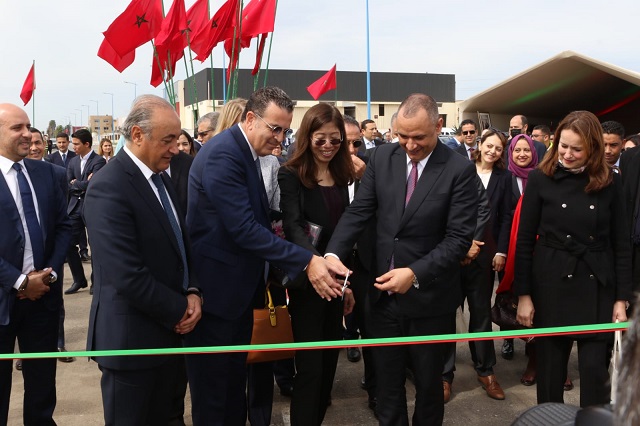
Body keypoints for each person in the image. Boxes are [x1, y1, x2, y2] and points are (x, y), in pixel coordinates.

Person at [185, 86, 347, 426]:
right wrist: (307, 260)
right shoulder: (224, 154)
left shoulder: (246, 153)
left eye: (285, 130)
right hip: (220, 294)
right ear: (250, 119)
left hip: (240, 291)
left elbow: (260, 220)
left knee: (232, 388)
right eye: (275, 128)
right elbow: (244, 229)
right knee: (216, 392)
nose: (280, 139)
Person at [325, 93, 479, 425]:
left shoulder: (459, 170)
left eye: (418, 137)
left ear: (438, 126)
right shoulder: (383, 157)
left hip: (430, 300)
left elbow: (457, 240)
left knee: (428, 385)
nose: (409, 145)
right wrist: (332, 253)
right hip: (382, 297)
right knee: (387, 385)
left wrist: (415, 273)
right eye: (402, 136)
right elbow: (359, 211)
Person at [84, 94, 202, 425]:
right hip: (131, 344)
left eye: (177, 140)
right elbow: (126, 274)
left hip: (170, 339)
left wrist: (193, 291)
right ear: (137, 135)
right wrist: (180, 309)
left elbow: (181, 245)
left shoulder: (160, 178)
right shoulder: (109, 186)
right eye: (168, 140)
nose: (176, 149)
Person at [515, 110, 631, 407]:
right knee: (550, 372)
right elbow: (524, 241)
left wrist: (621, 299)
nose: (567, 154)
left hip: (597, 282)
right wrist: (524, 295)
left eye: (576, 149)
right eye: (562, 146)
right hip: (551, 281)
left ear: (593, 149)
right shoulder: (540, 178)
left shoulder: (610, 181)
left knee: (595, 372)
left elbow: (621, 244)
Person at [278, 103, 356, 425]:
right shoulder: (291, 173)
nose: (327, 146)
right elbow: (293, 226)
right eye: (320, 139)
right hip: (308, 282)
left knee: (328, 366)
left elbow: (345, 232)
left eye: (335, 140)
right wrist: (315, 264)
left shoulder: (342, 175)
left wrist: (346, 285)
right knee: (310, 368)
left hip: (336, 282)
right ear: (306, 136)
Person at [0, 103, 72, 426]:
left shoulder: (47, 174)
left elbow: (64, 227)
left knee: (42, 389)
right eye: (18, 128)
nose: (28, 134)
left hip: (43, 299)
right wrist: (19, 282)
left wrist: (49, 277)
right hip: (3, 298)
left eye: (28, 127)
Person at [443, 128, 512, 402]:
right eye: (489, 145)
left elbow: (506, 217)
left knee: (480, 312)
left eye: (498, 148)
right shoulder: (459, 170)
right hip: (452, 252)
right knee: (447, 313)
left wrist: (501, 251)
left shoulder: (505, 178)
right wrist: (461, 245)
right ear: (479, 145)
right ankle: (444, 375)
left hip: (484, 253)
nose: (492, 151)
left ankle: (486, 370)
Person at [64, 129, 106, 295]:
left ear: (87, 144)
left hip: (93, 207)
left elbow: (94, 184)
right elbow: (68, 183)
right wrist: (82, 183)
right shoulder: (73, 162)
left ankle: (96, 282)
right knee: (68, 244)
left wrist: (77, 183)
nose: (73, 147)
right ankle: (79, 279)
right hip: (75, 208)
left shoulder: (99, 161)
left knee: (95, 245)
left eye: (76, 144)